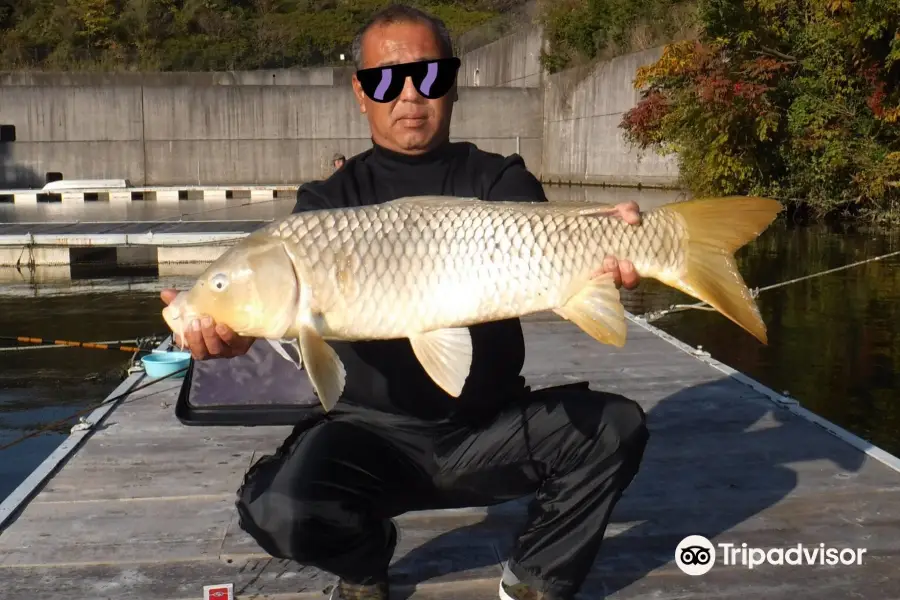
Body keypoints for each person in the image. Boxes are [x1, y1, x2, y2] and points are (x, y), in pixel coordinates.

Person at [160, 5, 649, 600]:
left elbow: (557, 244)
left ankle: (534, 580)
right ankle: (366, 564)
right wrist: (231, 336)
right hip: (373, 439)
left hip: (488, 428)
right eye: (387, 80)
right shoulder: (325, 204)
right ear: (361, 94)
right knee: (276, 507)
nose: (410, 94)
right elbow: (275, 312)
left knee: (616, 428)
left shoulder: (501, 180)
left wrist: (623, 246)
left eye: (430, 75)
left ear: (454, 83)